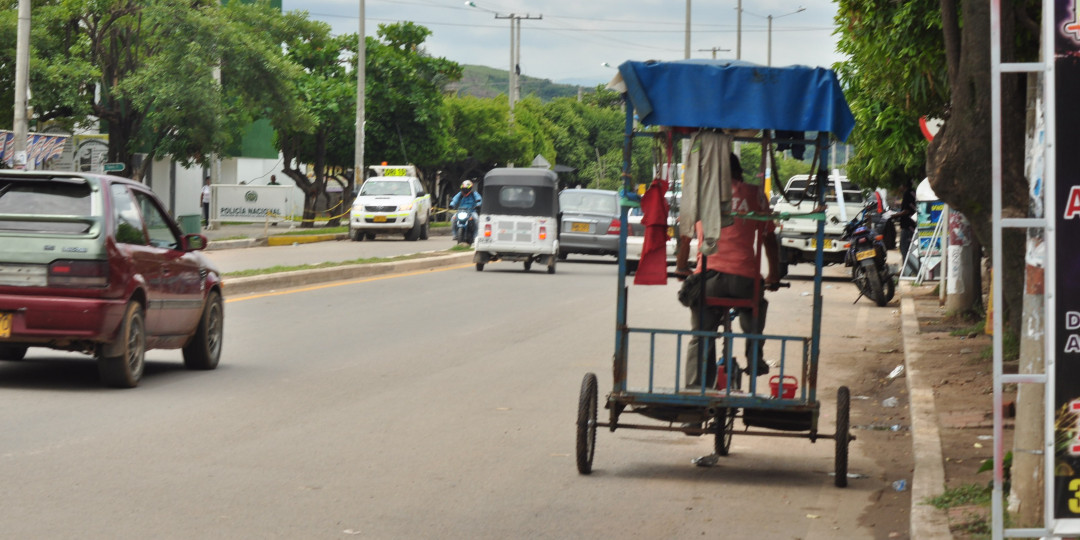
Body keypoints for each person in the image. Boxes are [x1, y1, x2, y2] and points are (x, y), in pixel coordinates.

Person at [677, 153, 779, 389]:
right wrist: (774, 275)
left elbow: (685, 236)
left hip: (709, 278)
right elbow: (769, 239)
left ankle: (694, 389)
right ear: (739, 173)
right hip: (744, 281)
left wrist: (682, 267)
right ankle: (755, 358)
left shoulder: (701, 195)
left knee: (701, 335)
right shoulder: (755, 195)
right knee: (755, 305)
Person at [449, 179, 482, 244]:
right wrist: (451, 205)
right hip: (461, 211)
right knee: (453, 219)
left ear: (470, 188)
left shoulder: (474, 194)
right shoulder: (460, 194)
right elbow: (454, 200)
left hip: (471, 211)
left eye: (466, 189)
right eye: (463, 188)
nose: (464, 190)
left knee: (476, 219)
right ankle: (455, 235)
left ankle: (476, 235)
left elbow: (479, 199)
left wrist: (478, 204)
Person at [896, 179, 917, 267]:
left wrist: (894, 215)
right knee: (909, 247)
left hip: (907, 225)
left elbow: (906, 211)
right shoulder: (913, 192)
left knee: (904, 247)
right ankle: (908, 268)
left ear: (904, 185)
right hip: (912, 224)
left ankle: (907, 268)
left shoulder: (907, 194)